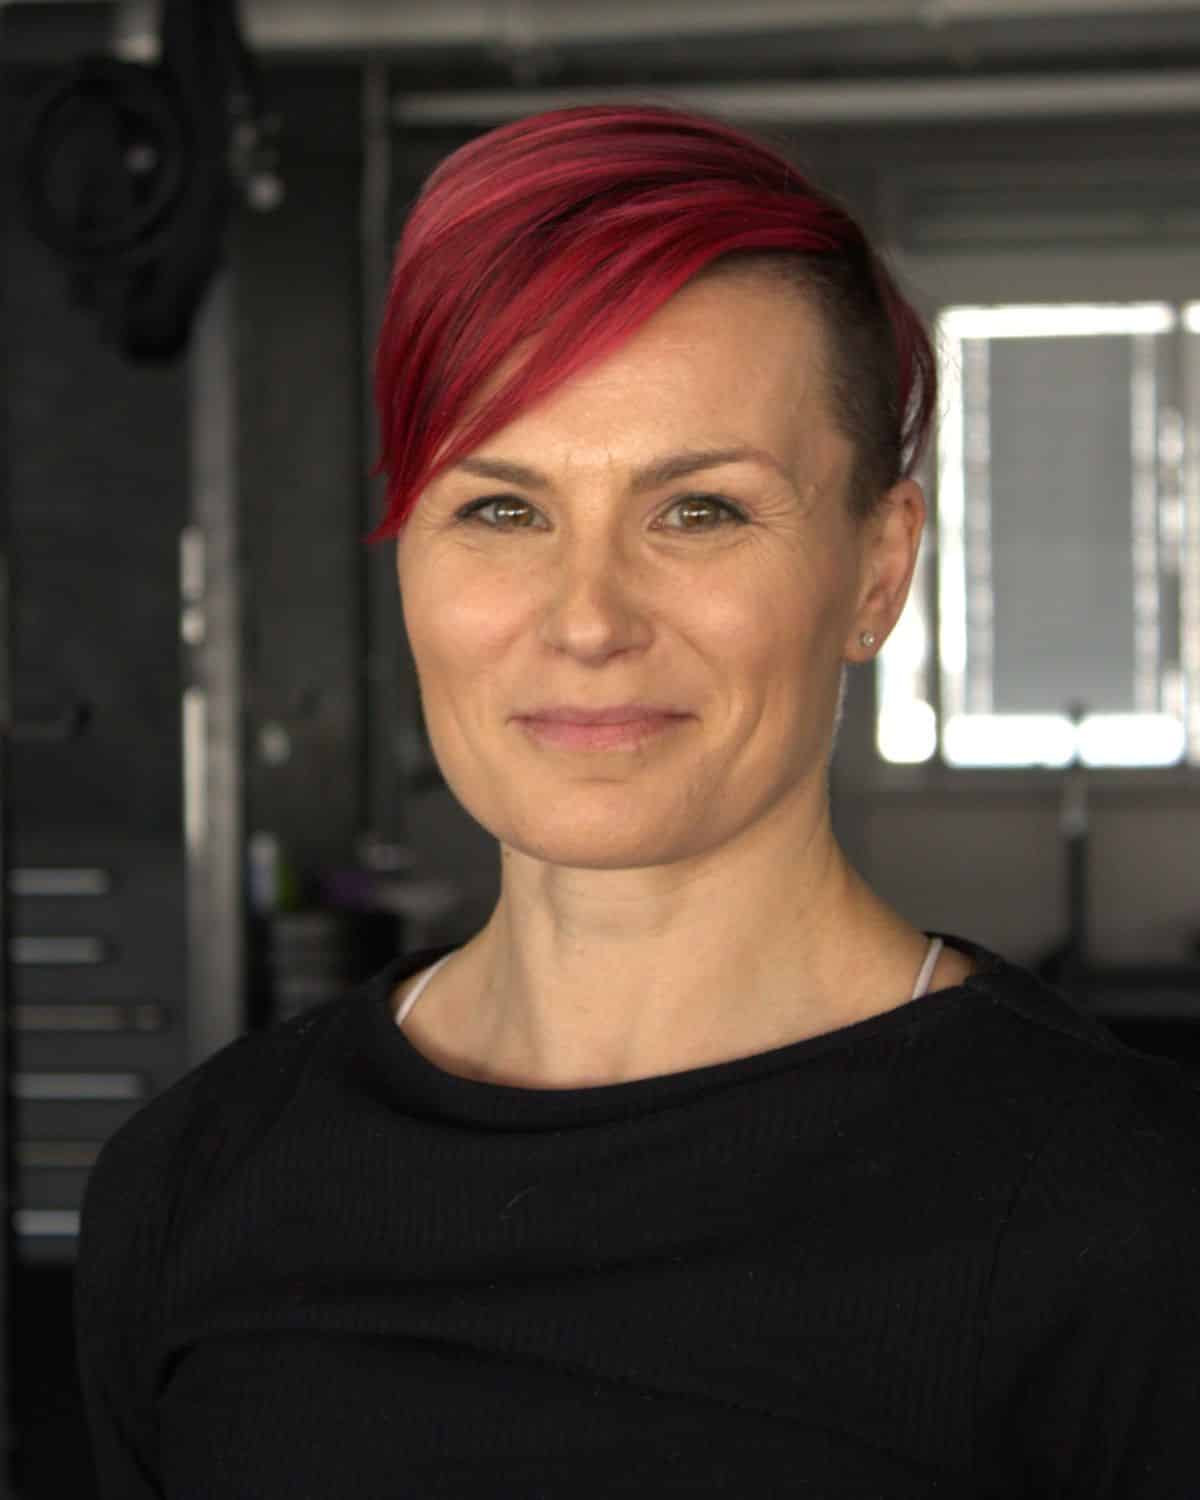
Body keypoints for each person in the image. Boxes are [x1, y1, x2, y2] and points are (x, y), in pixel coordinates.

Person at [75, 103, 1200, 1498]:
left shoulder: (1131, 1224)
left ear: (878, 569)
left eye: (699, 510)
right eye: (501, 509)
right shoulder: (192, 1185)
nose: (589, 619)